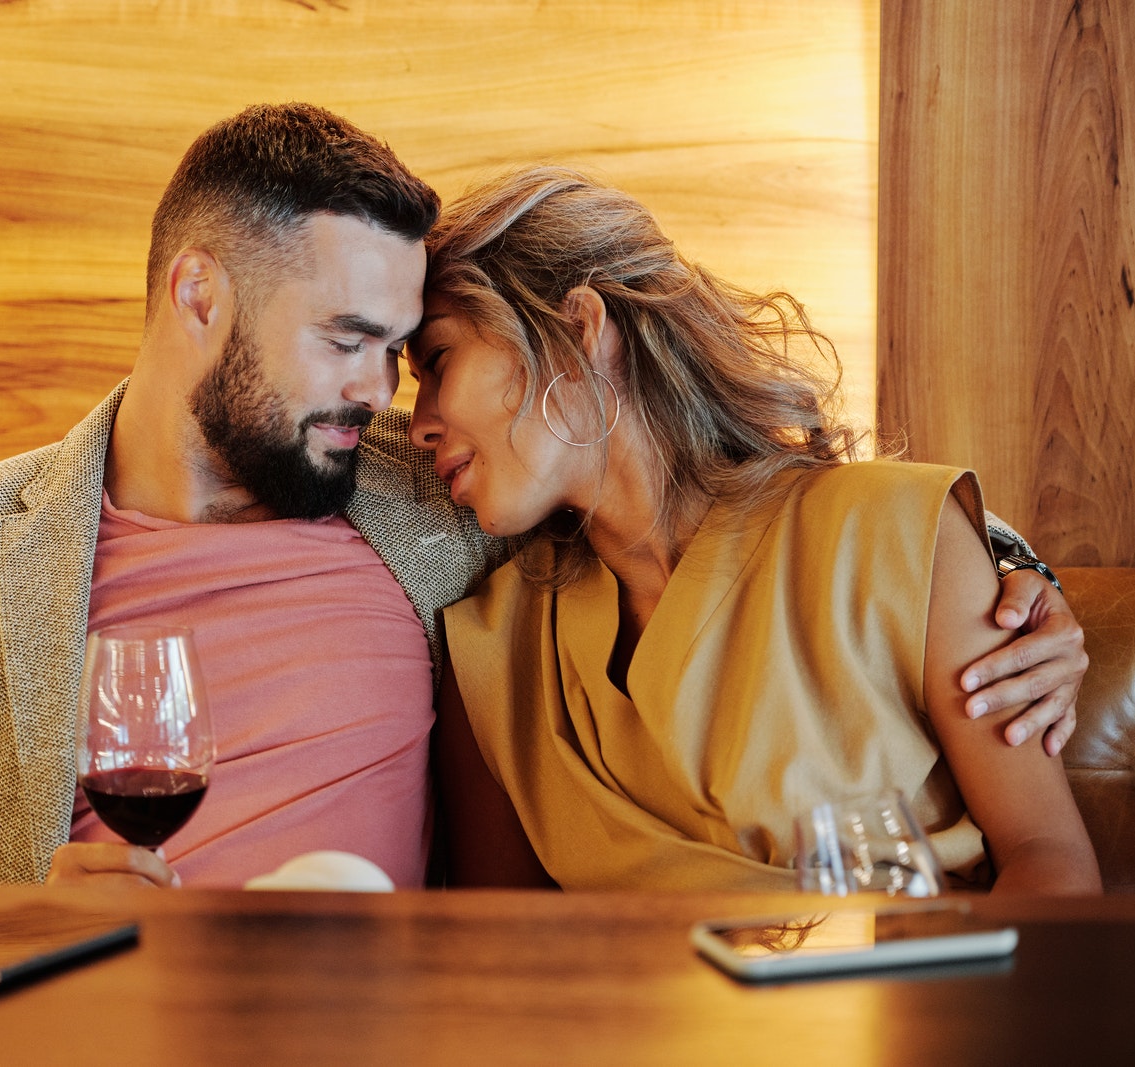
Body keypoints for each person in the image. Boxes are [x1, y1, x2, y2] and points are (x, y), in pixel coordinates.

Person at [0, 106, 1086, 891]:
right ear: (198, 296)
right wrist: (16, 925)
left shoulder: (438, 511)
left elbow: (766, 525)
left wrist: (1014, 577)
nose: (385, 400)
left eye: (407, 354)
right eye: (347, 340)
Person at [407, 166, 1100, 893]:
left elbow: (1048, 858)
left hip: (910, 998)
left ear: (579, 330)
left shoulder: (896, 534)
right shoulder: (492, 654)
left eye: (439, 362)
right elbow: (501, 952)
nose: (419, 424)